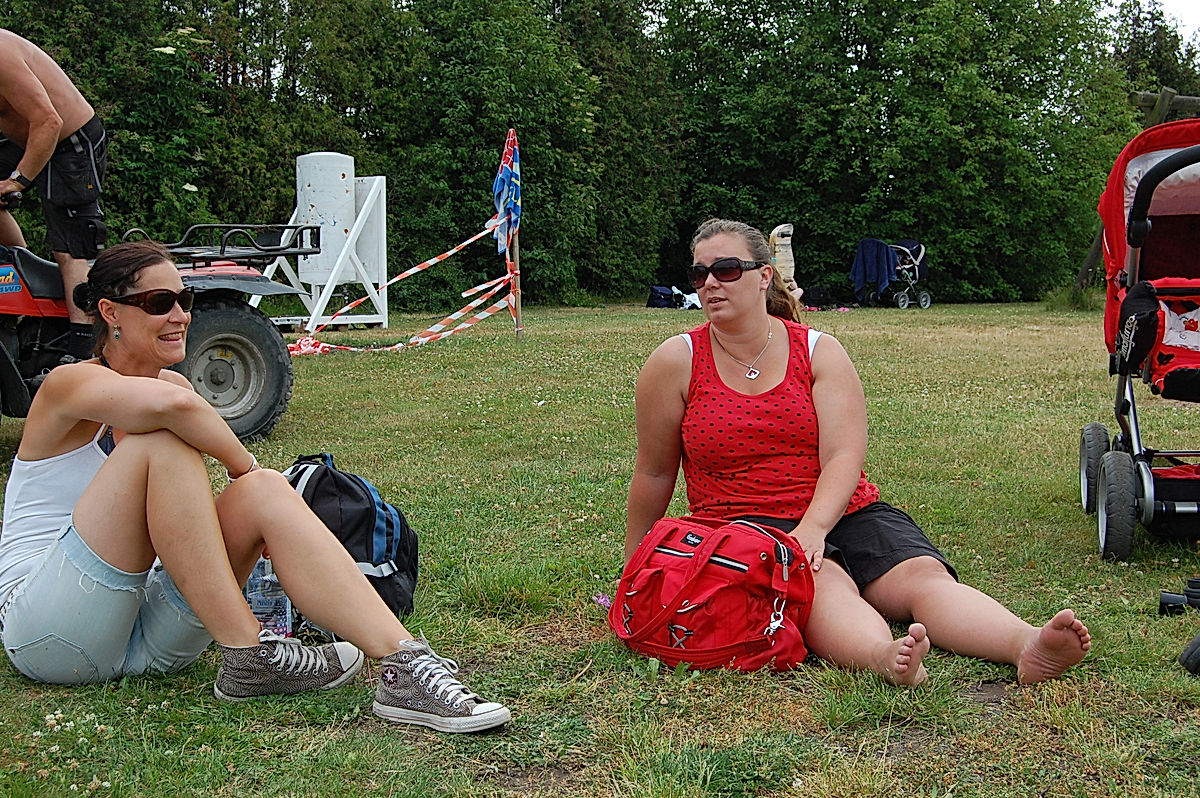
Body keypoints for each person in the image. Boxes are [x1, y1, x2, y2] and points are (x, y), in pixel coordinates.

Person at [0, 241, 511, 733]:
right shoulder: (67, 387)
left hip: (149, 637)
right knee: (163, 445)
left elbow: (177, 408)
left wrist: (253, 484)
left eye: (186, 299)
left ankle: (404, 666)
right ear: (110, 313)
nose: (180, 315)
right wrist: (240, 466)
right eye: (159, 303)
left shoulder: (174, 386)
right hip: (52, 632)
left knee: (266, 489)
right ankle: (249, 648)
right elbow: (172, 411)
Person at [625, 218, 1091, 685]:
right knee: (823, 590)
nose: (709, 283)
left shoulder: (818, 351)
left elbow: (844, 457)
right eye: (698, 273)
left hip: (845, 510)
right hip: (747, 526)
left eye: (726, 269)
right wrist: (636, 570)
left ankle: (1025, 644)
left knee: (922, 579)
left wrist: (813, 528)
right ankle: (882, 656)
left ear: (764, 276)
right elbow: (654, 473)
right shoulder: (676, 361)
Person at [0, 29, 108, 360]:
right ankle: (15, 283)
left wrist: (17, 181)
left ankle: (82, 353)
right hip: (23, 139)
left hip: (68, 139)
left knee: (71, 246)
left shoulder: (0, 55)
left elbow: (49, 120)